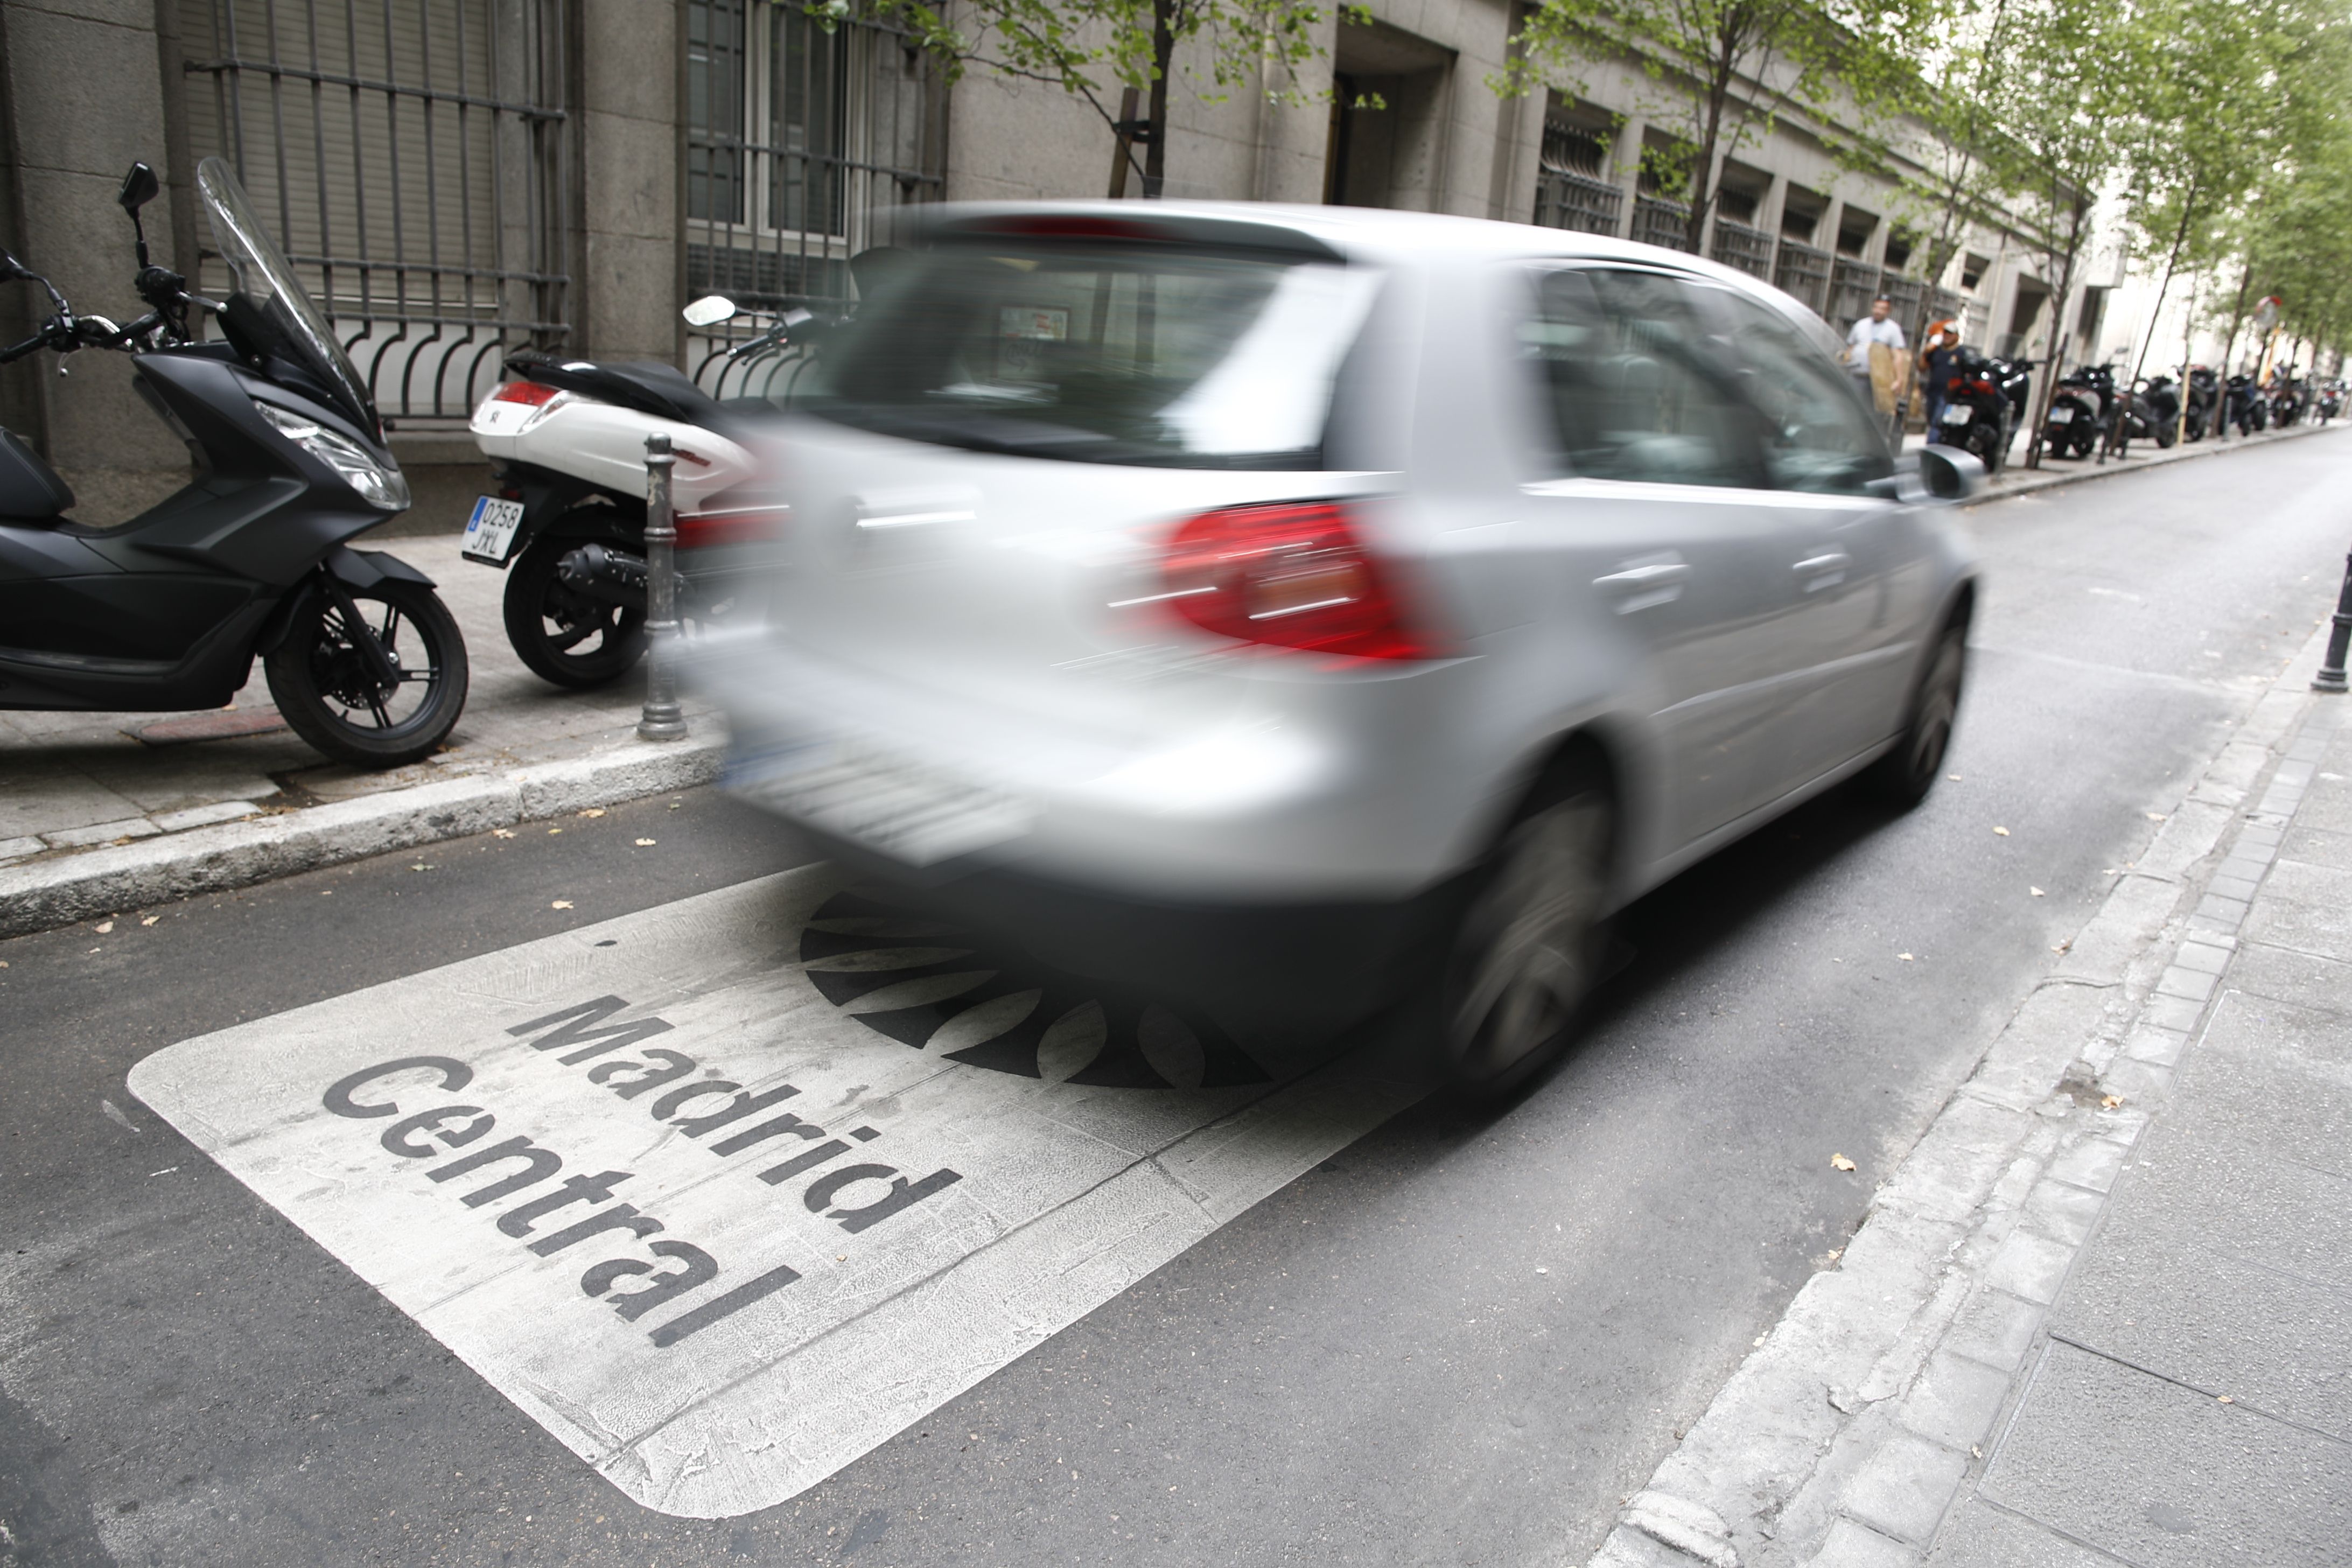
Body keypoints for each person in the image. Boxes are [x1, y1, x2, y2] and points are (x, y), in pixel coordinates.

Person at [1846, 296, 1908, 437]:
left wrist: (1898, 380)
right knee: (1853, 410)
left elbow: (1898, 356)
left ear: (1888, 311)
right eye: (1876, 307)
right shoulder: (1861, 325)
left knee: (1875, 416)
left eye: (1882, 309)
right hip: (1856, 375)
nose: (1878, 311)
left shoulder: (1893, 329)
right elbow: (1850, 348)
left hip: (1878, 381)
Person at [1918, 317, 1961, 443]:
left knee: (1937, 422)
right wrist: (1926, 352)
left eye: (1950, 333)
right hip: (1933, 392)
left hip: (1947, 394)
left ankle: (1931, 447)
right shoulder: (1936, 351)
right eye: (1945, 333)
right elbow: (1922, 368)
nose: (1947, 336)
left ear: (1956, 336)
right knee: (1932, 421)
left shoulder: (1960, 353)